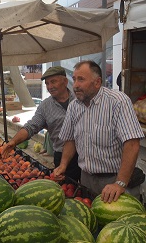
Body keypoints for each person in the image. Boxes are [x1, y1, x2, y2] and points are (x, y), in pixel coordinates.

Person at [55, 60, 144, 203]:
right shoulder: (74, 107)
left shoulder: (118, 102)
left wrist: (120, 183)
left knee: (119, 224)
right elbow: (70, 139)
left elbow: (132, 143)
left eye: (81, 79)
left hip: (116, 180)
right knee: (93, 223)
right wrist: (63, 165)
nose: (76, 85)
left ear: (97, 82)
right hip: (86, 179)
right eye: (74, 79)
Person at [2, 66, 81, 182]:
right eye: (47, 83)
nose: (50, 87)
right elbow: (31, 126)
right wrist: (13, 141)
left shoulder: (80, 99)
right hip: (63, 156)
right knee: (68, 190)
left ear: (65, 81)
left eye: (53, 82)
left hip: (86, 156)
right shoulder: (45, 106)